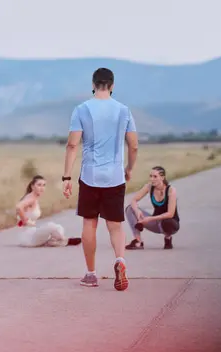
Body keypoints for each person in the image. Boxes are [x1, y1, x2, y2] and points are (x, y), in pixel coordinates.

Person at [62, 67, 139, 290]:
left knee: (89, 223)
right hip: (115, 175)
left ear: (93, 85)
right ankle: (120, 260)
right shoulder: (124, 110)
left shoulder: (81, 109)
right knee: (115, 226)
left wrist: (67, 176)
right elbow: (133, 145)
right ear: (112, 86)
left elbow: (72, 145)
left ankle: (91, 274)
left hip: (89, 175)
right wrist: (129, 168)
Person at [16, 175, 82, 247]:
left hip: (32, 233)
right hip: (28, 238)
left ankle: (53, 241)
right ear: (32, 186)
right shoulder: (31, 198)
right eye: (39, 185)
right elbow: (19, 207)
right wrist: (25, 220)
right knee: (51, 226)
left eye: (44, 185)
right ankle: (63, 240)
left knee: (58, 227)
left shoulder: (34, 198)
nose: (42, 188)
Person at [124, 166, 180, 250]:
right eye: (150, 176)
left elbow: (170, 214)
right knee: (130, 209)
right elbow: (133, 200)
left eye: (155, 176)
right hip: (155, 223)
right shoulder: (149, 187)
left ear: (162, 177)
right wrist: (137, 211)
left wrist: (150, 219)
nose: (152, 179)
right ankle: (138, 241)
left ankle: (168, 238)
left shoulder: (171, 190)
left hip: (171, 224)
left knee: (168, 221)